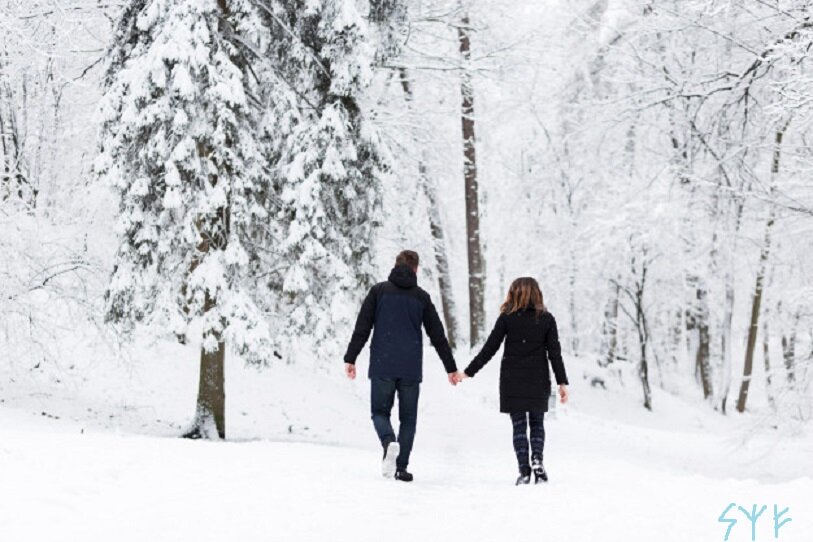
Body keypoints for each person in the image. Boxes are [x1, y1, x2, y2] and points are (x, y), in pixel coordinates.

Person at [344, 250, 462, 482]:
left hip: (382, 364)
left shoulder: (378, 292)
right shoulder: (421, 297)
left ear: (395, 265)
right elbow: (437, 335)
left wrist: (351, 357)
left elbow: (363, 327)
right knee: (408, 419)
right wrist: (451, 368)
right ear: (416, 269)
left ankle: (389, 442)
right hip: (410, 367)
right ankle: (401, 467)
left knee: (379, 412)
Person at [461, 277, 569, 485]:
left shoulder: (507, 318)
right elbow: (555, 354)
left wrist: (468, 372)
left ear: (513, 294)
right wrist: (562, 383)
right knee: (537, 423)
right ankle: (537, 457)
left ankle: (524, 471)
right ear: (537, 294)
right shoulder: (546, 319)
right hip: (538, 379)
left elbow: (489, 348)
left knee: (519, 425)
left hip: (513, 379)